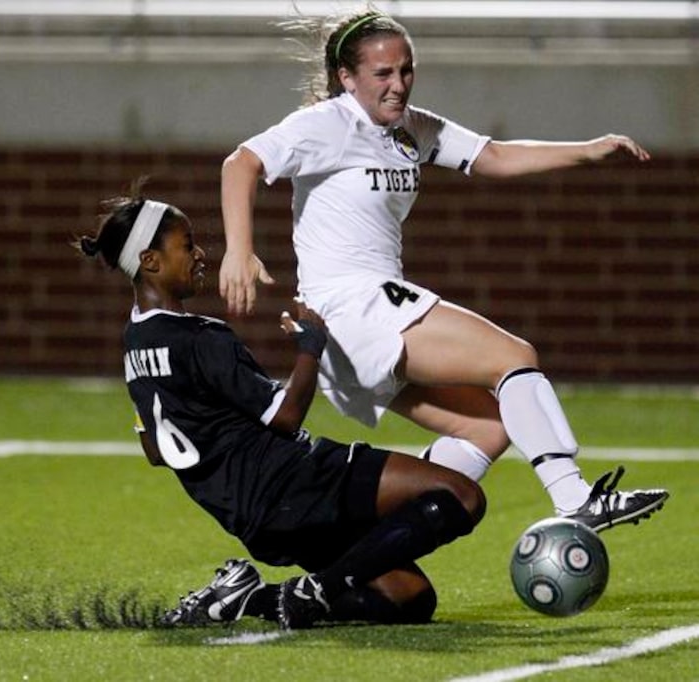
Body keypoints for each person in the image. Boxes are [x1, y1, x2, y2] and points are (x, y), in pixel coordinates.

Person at [219, 8, 669, 532]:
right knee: (514, 356)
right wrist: (239, 251)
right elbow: (241, 163)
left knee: (488, 430)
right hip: (352, 308)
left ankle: (368, 537)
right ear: (347, 78)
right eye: (382, 74)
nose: (398, 85)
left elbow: (493, 155)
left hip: (360, 326)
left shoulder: (412, 128)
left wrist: (588, 152)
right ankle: (574, 498)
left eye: (406, 70)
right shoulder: (328, 124)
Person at [75, 179, 487, 629]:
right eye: (187, 245)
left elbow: (156, 452)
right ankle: (318, 591)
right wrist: (311, 347)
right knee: (460, 495)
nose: (200, 255)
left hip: (256, 519)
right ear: (150, 261)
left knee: (408, 601)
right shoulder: (201, 338)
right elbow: (287, 417)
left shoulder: (135, 343)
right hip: (295, 483)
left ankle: (253, 597)